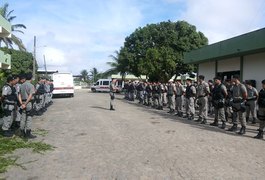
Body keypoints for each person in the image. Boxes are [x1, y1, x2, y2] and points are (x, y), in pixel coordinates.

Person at [18, 73, 36, 139]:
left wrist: (22, 103)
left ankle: (22, 132)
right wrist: (25, 104)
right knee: (29, 118)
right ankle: (28, 133)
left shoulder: (21, 85)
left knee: (23, 118)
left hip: (22, 102)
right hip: (28, 103)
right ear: (31, 78)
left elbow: (19, 95)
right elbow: (30, 96)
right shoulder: (31, 85)